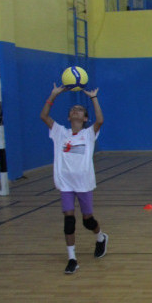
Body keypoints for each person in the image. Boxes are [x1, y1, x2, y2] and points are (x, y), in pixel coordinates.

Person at [41, 83, 108, 274]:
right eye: (73, 110)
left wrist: (94, 98)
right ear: (69, 117)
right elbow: (44, 116)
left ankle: (100, 237)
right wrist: (53, 95)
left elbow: (100, 120)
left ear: (85, 118)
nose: (76, 111)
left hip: (84, 182)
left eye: (79, 110)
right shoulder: (60, 132)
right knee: (69, 220)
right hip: (65, 183)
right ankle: (72, 258)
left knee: (87, 220)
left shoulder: (88, 134)